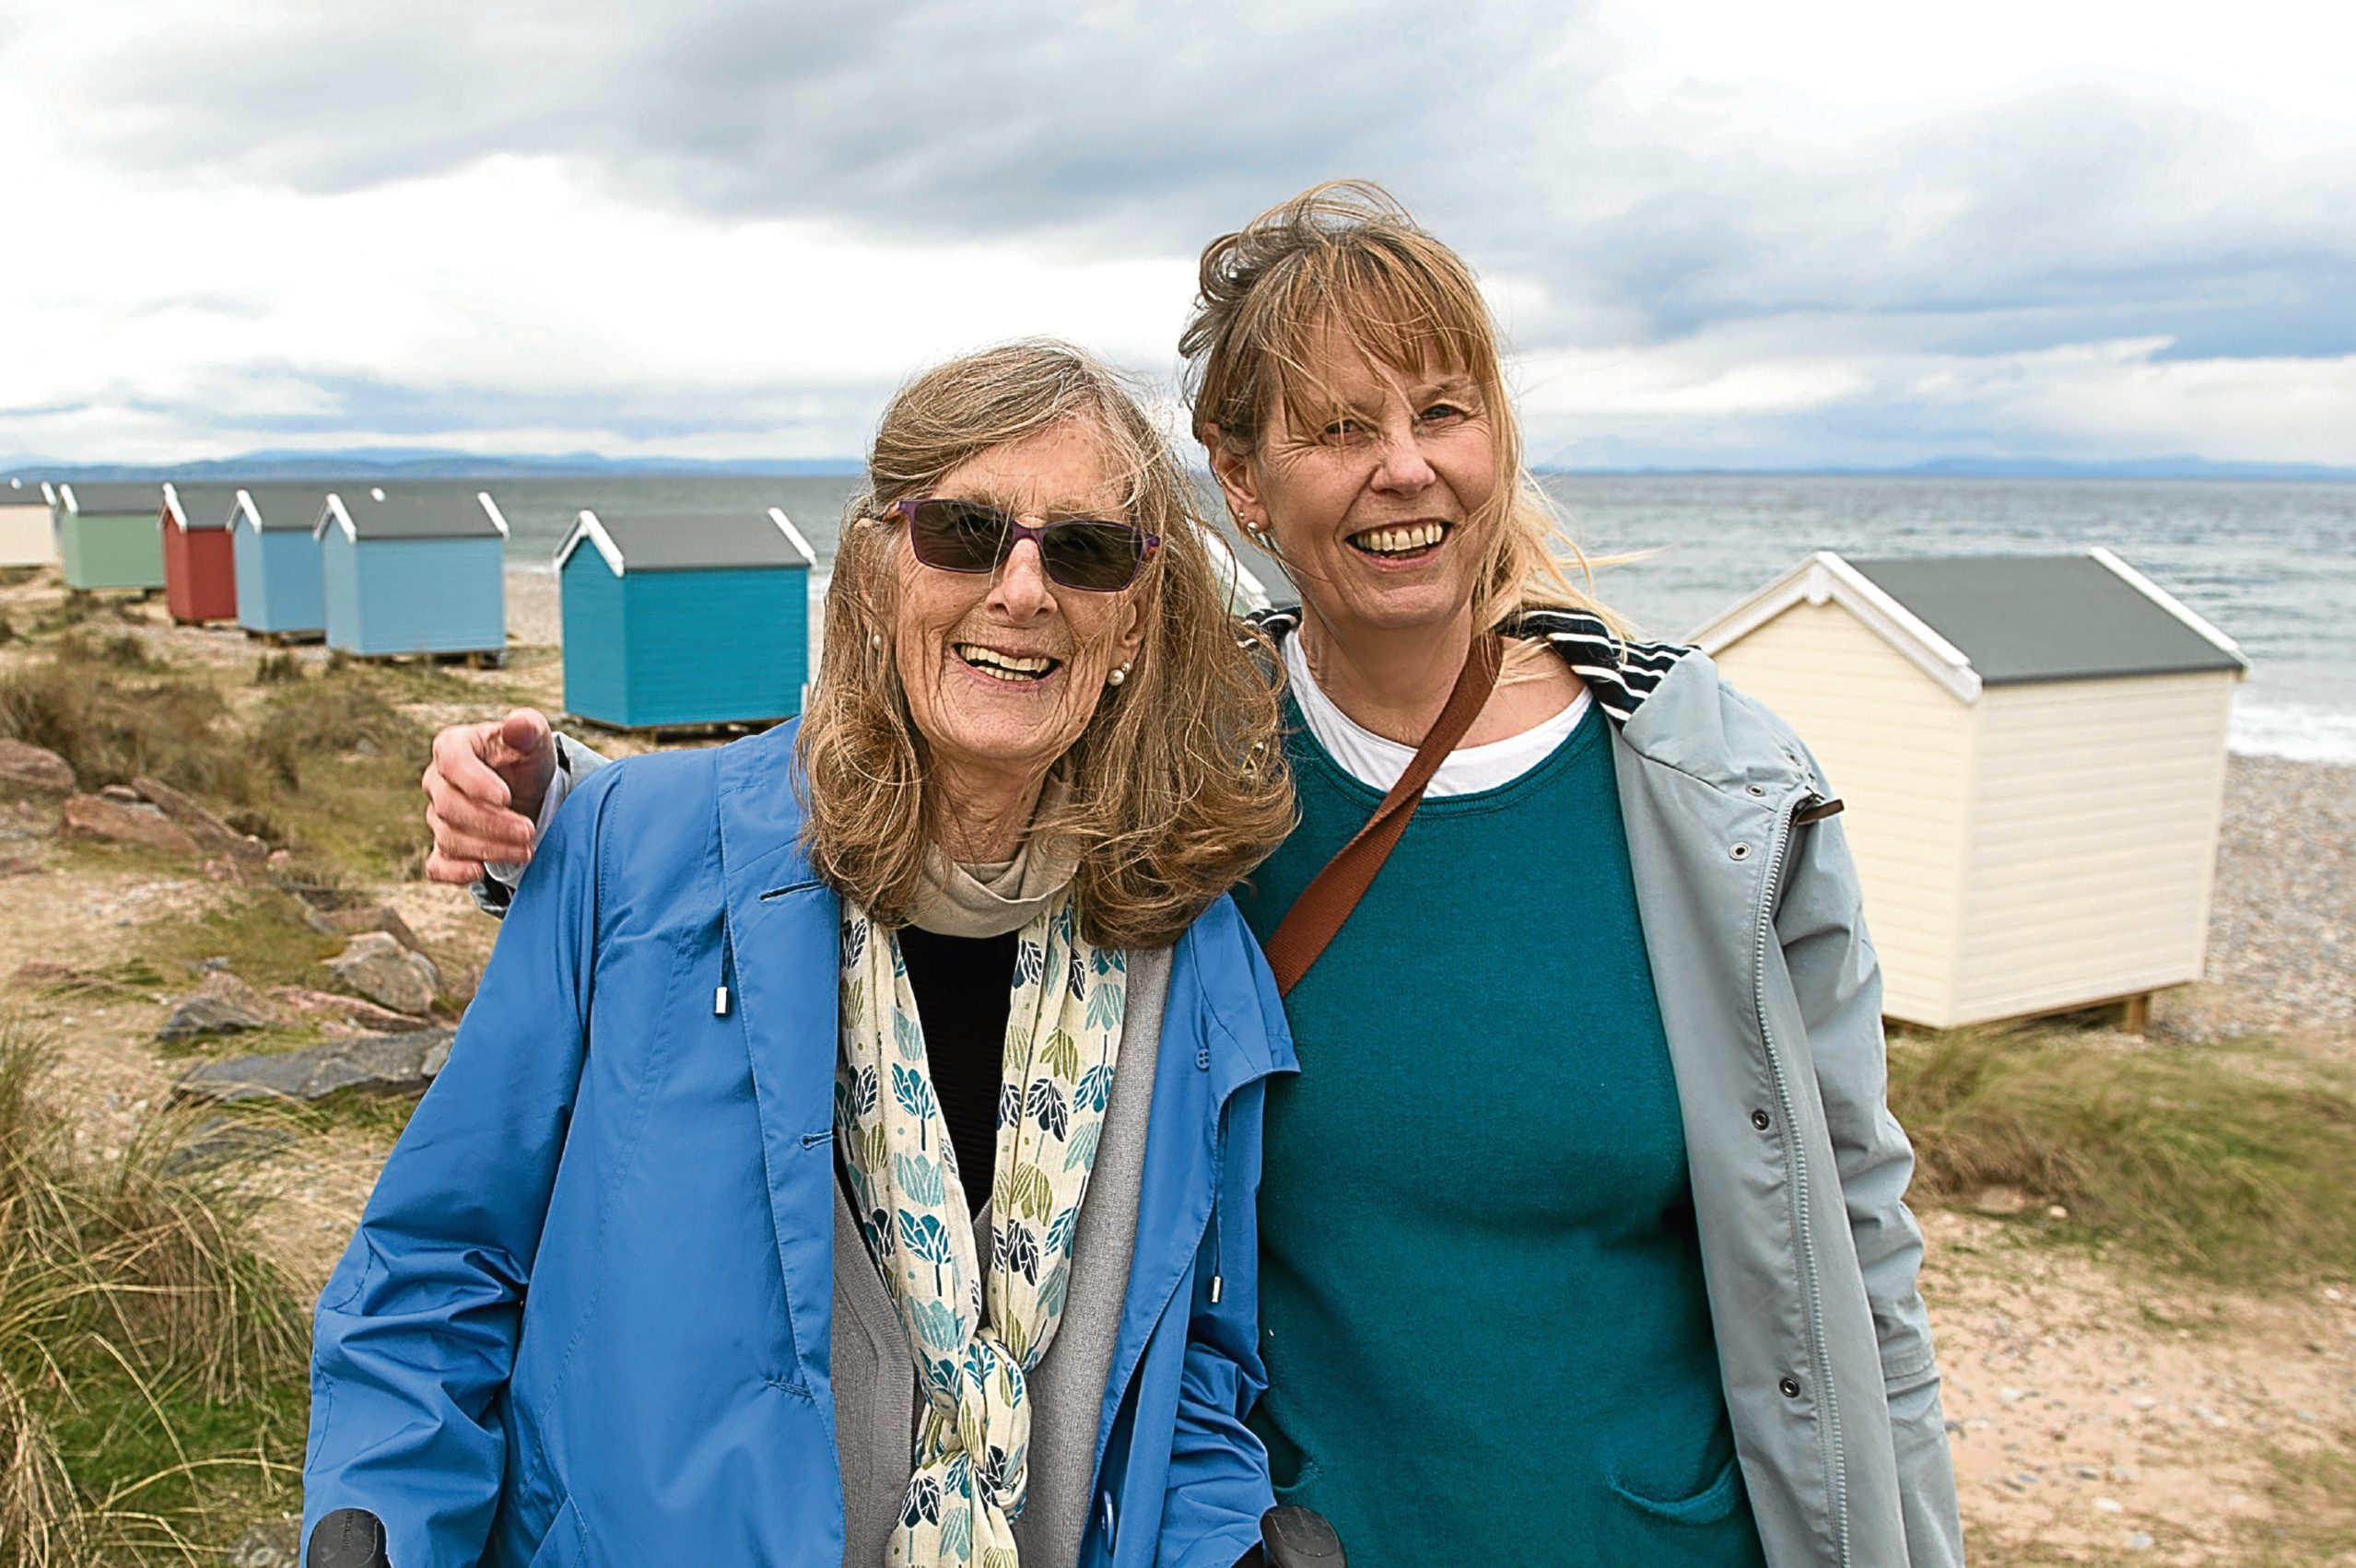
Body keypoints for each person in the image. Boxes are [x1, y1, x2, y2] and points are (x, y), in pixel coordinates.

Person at [426, 183, 1963, 1567]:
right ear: (1236, 478)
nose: (1404, 469)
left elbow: (1853, 1253)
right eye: (1339, 427)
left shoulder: (1707, 801)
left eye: (1444, 409)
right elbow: (881, 787)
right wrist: (557, 822)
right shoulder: (1170, 755)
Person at [307, 342, 1306, 1568]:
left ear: (1136, 622)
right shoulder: (635, 851)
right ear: (881, 569)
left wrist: (1229, 1548)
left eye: (1085, 550)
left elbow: (1189, 1380)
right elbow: (436, 1269)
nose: (1023, 589)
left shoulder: (1188, 955)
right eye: (965, 532)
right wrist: (384, 1528)